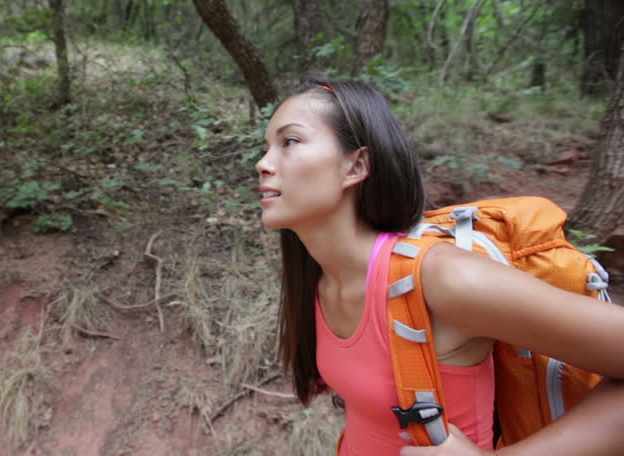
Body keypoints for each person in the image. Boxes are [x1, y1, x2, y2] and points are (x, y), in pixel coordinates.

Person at [255, 78, 624, 455]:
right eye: (266, 147)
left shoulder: (442, 279)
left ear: (356, 166)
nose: (263, 164)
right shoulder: (319, 279)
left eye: (290, 142)